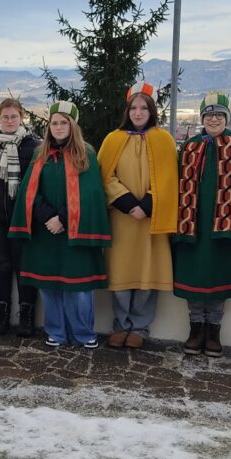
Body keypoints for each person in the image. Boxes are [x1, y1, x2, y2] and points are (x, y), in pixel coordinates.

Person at [9, 101, 110, 348]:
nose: (58, 127)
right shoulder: (39, 153)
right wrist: (48, 217)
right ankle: (56, 332)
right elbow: (30, 192)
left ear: (73, 125)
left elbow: (90, 192)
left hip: (75, 231)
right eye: (54, 123)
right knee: (49, 285)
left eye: (64, 122)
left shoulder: (85, 153)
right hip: (46, 232)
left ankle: (83, 333)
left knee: (79, 287)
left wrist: (62, 219)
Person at [173, 93, 231, 357]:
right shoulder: (190, 146)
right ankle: (195, 328)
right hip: (193, 226)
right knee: (194, 277)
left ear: (226, 118)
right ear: (202, 119)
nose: (213, 119)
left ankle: (214, 331)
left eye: (219, 115)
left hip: (224, 226)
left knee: (219, 279)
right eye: (209, 115)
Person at [97, 83, 178, 348]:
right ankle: (120, 325)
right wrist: (129, 203)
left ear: (152, 111)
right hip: (123, 219)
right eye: (134, 107)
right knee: (120, 274)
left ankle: (140, 328)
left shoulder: (164, 139)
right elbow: (105, 176)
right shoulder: (113, 139)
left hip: (152, 220)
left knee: (147, 275)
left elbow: (168, 179)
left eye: (144, 108)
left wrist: (147, 205)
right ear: (127, 110)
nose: (139, 112)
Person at [0, 98, 40, 337]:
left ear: (21, 117)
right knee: (1, 265)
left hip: (24, 218)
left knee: (24, 267)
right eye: (6, 117)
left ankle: (26, 316)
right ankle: (1, 313)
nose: (10, 121)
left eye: (14, 116)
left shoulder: (35, 147)